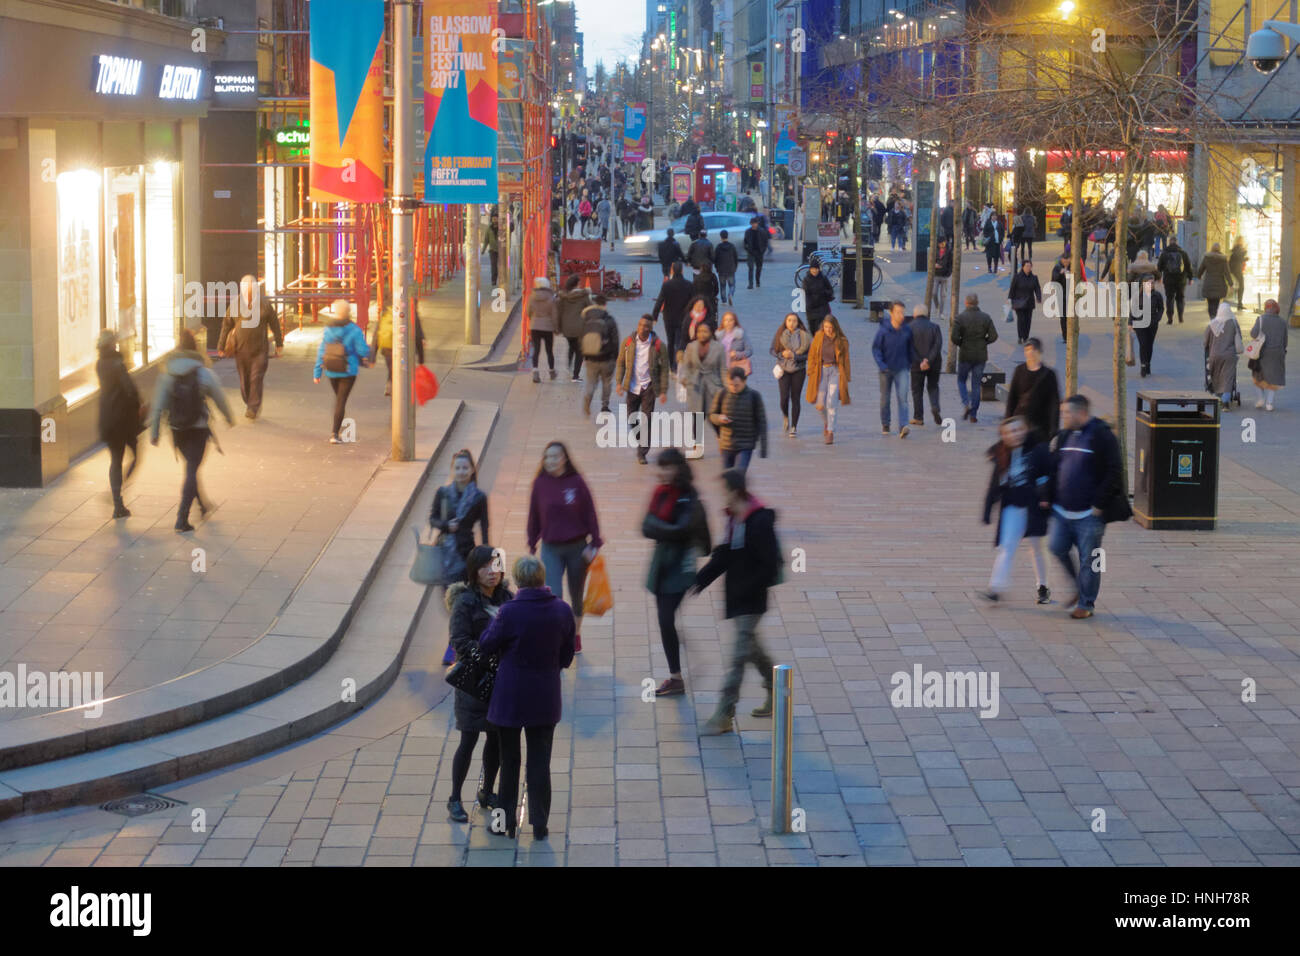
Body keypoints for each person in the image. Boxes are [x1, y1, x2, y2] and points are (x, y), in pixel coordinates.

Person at [478, 555, 575, 840]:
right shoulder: (562, 610)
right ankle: (540, 825)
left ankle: (503, 822)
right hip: (545, 697)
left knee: (509, 762)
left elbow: (486, 645)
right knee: (540, 762)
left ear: (518, 580)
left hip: (510, 697)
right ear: (543, 578)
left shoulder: (509, 612)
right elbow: (567, 655)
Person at [691, 469, 782, 735]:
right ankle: (776, 688)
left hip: (751, 600)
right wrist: (699, 581)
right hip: (739, 598)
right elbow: (725, 556)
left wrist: (747, 588)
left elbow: (771, 563)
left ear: (735, 491)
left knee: (738, 657)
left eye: (725, 492)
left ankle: (724, 714)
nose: (722, 497)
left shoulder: (759, 520)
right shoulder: (735, 519)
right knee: (752, 649)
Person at [444, 545, 510, 823]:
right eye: (484, 567)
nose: (491, 572)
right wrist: (487, 655)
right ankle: (455, 798)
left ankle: (486, 790)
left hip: (501, 683)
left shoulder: (508, 597)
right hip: (474, 683)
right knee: (468, 740)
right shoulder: (465, 602)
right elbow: (459, 640)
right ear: (474, 572)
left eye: (495, 565)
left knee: (494, 739)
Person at [1048, 394, 1129, 619]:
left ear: (1080, 413)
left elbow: (1115, 470)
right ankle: (1077, 586)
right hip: (1062, 511)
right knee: (1056, 547)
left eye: (1066, 413)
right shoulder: (1064, 435)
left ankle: (1086, 603)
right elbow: (1055, 466)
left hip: (1089, 514)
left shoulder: (1101, 436)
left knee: (1090, 560)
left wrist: (1099, 504)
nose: (1063, 417)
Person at [149, 328, 235, 532]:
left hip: (177, 429)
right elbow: (219, 397)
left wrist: (154, 432)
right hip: (198, 428)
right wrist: (229, 417)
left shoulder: (167, 374)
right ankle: (181, 518)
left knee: (191, 468)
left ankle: (202, 505)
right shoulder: (204, 373)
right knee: (191, 470)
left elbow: (158, 405)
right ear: (196, 349)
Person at [643, 448, 711, 697]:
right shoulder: (660, 493)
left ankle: (676, 676)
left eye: (667, 467)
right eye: (660, 467)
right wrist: (666, 529)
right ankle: (676, 677)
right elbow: (645, 526)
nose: (662, 472)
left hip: (680, 565)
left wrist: (660, 528)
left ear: (679, 468)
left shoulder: (688, 496)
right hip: (663, 562)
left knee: (665, 617)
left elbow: (681, 529)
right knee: (665, 619)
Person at [526, 442, 601, 654]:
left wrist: (595, 543)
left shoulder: (576, 482)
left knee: (576, 595)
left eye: (555, 456)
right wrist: (532, 544)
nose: (551, 461)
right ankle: (559, 638)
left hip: (577, 548)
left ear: (564, 459)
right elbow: (533, 515)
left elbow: (590, 513)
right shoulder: (539, 484)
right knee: (554, 595)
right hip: (550, 548)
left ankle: (575, 635)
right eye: (547, 457)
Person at [981, 416, 1052, 605]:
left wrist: (1045, 497)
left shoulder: (1038, 450)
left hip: (1034, 507)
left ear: (1025, 429)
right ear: (1003, 436)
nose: (1015, 434)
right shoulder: (1002, 454)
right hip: (1012, 506)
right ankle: (995, 588)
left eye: (1019, 429)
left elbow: (1047, 475)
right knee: (1006, 547)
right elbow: (994, 484)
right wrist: (988, 509)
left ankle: (1042, 586)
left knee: (1036, 548)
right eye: (1010, 432)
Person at [431, 448, 490, 663]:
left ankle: (453, 644)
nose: (461, 471)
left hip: (467, 556)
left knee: (461, 602)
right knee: (448, 601)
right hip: (445, 556)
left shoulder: (479, 497)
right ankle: (460, 638)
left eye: (465, 467)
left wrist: (487, 557)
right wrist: (447, 525)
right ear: (452, 470)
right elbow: (433, 519)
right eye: (457, 468)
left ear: (472, 469)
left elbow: (485, 527)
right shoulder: (443, 493)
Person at [217, 275, 283, 419]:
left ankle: (253, 407)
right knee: (244, 380)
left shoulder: (264, 304)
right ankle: (249, 401)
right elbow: (226, 324)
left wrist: (279, 343)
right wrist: (221, 345)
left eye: (251, 288)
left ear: (255, 288)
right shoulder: (235, 305)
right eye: (245, 288)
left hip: (260, 350)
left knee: (256, 378)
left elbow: (275, 324)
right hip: (241, 351)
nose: (248, 291)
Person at [96, 329, 142, 519]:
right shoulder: (117, 362)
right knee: (135, 456)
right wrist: (139, 403)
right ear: (112, 343)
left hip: (106, 415)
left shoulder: (99, 363)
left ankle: (117, 500)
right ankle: (117, 496)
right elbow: (129, 388)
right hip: (122, 418)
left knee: (116, 459)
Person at [313, 298, 370, 443]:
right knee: (341, 400)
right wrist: (368, 354)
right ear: (348, 313)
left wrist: (317, 372)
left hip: (331, 370)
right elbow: (362, 350)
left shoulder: (328, 329)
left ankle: (336, 429)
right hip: (348, 370)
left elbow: (322, 350)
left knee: (339, 398)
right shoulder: (355, 330)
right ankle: (334, 433)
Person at [615, 314, 671, 464]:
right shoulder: (628, 342)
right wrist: (619, 383)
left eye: (646, 326)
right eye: (640, 325)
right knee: (631, 419)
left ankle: (642, 453)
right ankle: (642, 440)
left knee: (647, 420)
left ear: (651, 328)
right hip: (632, 386)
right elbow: (620, 362)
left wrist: (664, 390)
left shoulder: (659, 345)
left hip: (649, 387)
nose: (642, 328)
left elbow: (665, 369)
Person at [680, 320, 725, 459]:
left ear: (711, 333)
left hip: (713, 386)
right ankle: (697, 448)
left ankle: (722, 442)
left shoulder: (719, 347)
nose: (702, 334)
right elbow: (686, 366)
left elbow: (723, 368)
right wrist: (685, 379)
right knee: (697, 418)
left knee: (714, 417)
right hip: (696, 386)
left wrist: (725, 388)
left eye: (705, 331)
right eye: (700, 331)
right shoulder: (691, 346)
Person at [710, 367, 768, 473]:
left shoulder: (754, 396)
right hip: (727, 445)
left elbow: (762, 422)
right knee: (728, 479)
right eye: (730, 384)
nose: (733, 388)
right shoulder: (722, 394)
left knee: (739, 475)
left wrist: (763, 447)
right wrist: (719, 418)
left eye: (737, 385)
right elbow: (712, 415)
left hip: (746, 445)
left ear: (744, 381)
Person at [952, 293, 998, 424]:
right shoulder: (986, 318)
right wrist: (984, 342)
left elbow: (954, 337)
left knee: (961, 380)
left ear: (966, 303)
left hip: (965, 355)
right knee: (976, 384)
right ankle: (973, 413)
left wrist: (961, 343)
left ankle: (966, 402)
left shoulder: (960, 318)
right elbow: (994, 336)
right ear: (977, 303)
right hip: (980, 355)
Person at [1004, 338, 1060, 441]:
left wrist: (1054, 429)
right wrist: (1007, 421)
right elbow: (1012, 397)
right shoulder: (1019, 370)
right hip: (1020, 423)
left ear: (1039, 352)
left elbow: (1054, 403)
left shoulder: (1049, 374)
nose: (1029, 353)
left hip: (1041, 425)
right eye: (1027, 350)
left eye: (1032, 350)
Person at [368, 303, 426, 397]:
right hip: (405, 347)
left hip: (388, 347)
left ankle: (390, 385)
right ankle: (399, 388)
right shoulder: (411, 313)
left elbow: (377, 334)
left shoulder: (387, 312)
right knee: (402, 367)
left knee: (392, 367)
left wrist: (372, 357)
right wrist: (421, 358)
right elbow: (418, 335)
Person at [872, 302, 912, 438]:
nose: (901, 315)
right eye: (898, 312)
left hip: (902, 368)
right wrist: (882, 365)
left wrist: (910, 363)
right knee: (885, 398)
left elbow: (911, 348)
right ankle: (886, 423)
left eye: (903, 312)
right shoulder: (883, 330)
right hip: (886, 369)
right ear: (891, 313)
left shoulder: (907, 329)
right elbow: (876, 348)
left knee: (903, 398)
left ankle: (903, 425)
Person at [771, 313, 811, 437]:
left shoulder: (805, 336)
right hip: (783, 369)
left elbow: (809, 355)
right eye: (789, 320)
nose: (791, 323)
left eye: (794, 321)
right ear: (785, 322)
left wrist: (795, 356)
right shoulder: (780, 334)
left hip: (799, 369)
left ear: (798, 322)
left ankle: (794, 426)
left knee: (795, 398)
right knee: (783, 398)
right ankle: (785, 415)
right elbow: (772, 350)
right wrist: (782, 354)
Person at [579, 295, 619, 417]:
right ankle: (605, 406)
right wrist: (615, 357)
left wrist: (584, 354)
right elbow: (615, 340)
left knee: (591, 382)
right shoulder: (609, 319)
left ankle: (588, 398)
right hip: (607, 358)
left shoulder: (586, 318)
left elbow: (580, 338)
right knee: (607, 382)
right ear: (605, 305)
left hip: (591, 357)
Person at [651, 261, 693, 370]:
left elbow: (659, 301)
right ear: (682, 270)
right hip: (683, 318)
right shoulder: (689, 285)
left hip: (669, 318)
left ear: (672, 270)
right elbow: (693, 302)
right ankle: (677, 363)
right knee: (679, 341)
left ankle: (672, 366)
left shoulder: (667, 285)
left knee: (670, 341)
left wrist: (654, 317)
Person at [907, 304, 944, 426]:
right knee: (933, 386)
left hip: (916, 365)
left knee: (917, 390)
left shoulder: (909, 328)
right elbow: (937, 346)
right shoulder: (935, 327)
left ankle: (918, 417)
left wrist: (920, 361)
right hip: (934, 364)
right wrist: (928, 360)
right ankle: (935, 406)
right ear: (927, 314)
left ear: (914, 315)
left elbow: (909, 348)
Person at [1250, 299, 1288, 410]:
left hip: (1262, 353)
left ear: (1266, 307)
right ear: (1276, 308)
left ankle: (1261, 399)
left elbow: (1253, 334)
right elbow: (1285, 340)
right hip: (1277, 353)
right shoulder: (1282, 322)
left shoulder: (1261, 319)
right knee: (1273, 378)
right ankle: (1269, 404)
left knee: (1258, 376)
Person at [1129, 253, 1163, 378]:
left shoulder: (1157, 295)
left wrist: (1158, 318)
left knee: (1149, 345)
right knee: (1143, 344)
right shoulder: (1138, 296)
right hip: (1139, 323)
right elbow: (1133, 310)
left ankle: (1148, 363)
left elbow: (1161, 308)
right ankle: (1143, 365)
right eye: (1149, 283)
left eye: (1152, 283)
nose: (1152, 285)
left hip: (1152, 323)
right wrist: (1130, 323)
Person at [1205, 303, 1243, 407]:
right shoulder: (1234, 323)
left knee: (1215, 375)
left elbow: (1205, 342)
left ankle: (1217, 396)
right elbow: (1239, 338)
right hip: (1229, 356)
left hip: (1214, 355)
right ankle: (1225, 401)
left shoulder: (1212, 324)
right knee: (1228, 377)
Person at [557, 274, 591, 382]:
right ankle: (575, 376)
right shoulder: (583, 296)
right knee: (580, 352)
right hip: (579, 329)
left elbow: (559, 312)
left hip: (567, 329)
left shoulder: (563, 297)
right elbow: (590, 310)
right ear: (577, 284)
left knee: (572, 346)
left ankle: (569, 364)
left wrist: (558, 327)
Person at [526, 276, 558, 383]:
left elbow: (528, 311)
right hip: (548, 327)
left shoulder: (532, 296)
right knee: (549, 351)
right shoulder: (551, 297)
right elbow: (554, 314)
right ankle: (551, 371)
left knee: (536, 350)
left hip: (535, 326)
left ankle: (535, 371)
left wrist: (533, 319)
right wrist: (556, 327)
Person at [1157, 236, 1193, 325]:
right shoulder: (1183, 253)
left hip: (1168, 280)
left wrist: (1159, 278)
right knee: (1180, 298)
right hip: (1181, 279)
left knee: (1170, 298)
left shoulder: (1164, 253)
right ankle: (1180, 316)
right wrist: (1190, 278)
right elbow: (1188, 266)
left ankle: (1170, 318)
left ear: (1169, 242)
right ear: (1177, 243)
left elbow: (1159, 267)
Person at [1007, 259, 1043, 346]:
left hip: (1029, 303)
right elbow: (1012, 289)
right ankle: (1020, 336)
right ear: (1022, 267)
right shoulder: (1017, 277)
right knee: (1021, 320)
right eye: (1026, 266)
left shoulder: (1034, 278)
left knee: (1028, 320)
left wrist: (1038, 297)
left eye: (1030, 266)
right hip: (1019, 302)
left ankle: (1026, 337)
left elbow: (1037, 288)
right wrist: (1009, 299)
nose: (1028, 268)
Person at [1197, 242, 1233, 319]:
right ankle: (1215, 317)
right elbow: (1227, 272)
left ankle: (1212, 318)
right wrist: (1231, 284)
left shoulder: (1207, 257)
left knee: (1210, 303)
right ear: (1219, 249)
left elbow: (1201, 269)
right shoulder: (1223, 259)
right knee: (1216, 303)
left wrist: (1199, 276)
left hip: (1208, 284)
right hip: (1219, 284)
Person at [717, 310, 753, 376]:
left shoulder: (741, 334)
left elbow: (749, 351)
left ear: (735, 321)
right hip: (720, 368)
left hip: (736, 369)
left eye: (731, 320)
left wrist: (737, 354)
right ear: (723, 322)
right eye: (726, 320)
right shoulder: (718, 335)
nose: (728, 322)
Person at [802, 259, 835, 329]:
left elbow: (830, 290)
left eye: (816, 268)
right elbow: (807, 294)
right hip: (812, 308)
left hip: (823, 307)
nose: (814, 271)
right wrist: (809, 305)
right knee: (813, 329)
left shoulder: (823, 278)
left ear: (819, 269)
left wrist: (824, 293)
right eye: (813, 269)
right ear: (810, 269)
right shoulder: (806, 280)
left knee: (822, 328)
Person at [714, 230, 739, 306]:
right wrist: (735, 267)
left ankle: (724, 301)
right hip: (730, 269)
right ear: (727, 236)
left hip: (721, 270)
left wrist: (717, 267)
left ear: (721, 237)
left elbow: (715, 259)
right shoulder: (732, 246)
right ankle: (730, 294)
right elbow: (735, 258)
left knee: (722, 286)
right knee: (732, 285)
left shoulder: (718, 247)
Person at [1049, 254, 1071, 343]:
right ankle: (1065, 336)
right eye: (1064, 261)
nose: (1066, 263)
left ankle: (1072, 334)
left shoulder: (1073, 267)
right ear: (1061, 260)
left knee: (1071, 316)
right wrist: (1060, 274)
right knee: (1063, 317)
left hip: (1071, 296)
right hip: (1061, 296)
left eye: (1068, 261)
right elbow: (1053, 280)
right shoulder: (1057, 268)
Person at [743, 217, 770, 289]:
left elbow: (765, 242)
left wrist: (763, 251)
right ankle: (750, 284)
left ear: (757, 223)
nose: (754, 225)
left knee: (759, 268)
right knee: (750, 268)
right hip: (751, 252)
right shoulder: (748, 232)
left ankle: (757, 281)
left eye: (755, 223)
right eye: (752, 223)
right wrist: (747, 249)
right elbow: (745, 242)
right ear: (751, 224)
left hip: (759, 252)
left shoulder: (762, 231)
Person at [691, 260, 719, 326]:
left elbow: (693, 290)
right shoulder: (713, 276)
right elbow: (716, 289)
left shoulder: (697, 278)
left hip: (700, 300)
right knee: (712, 316)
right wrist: (713, 295)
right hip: (711, 300)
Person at [931, 239, 952, 317]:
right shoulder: (935, 250)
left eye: (943, 242)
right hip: (936, 274)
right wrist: (934, 265)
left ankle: (941, 312)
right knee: (934, 293)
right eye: (940, 243)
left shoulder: (949, 251)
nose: (942, 244)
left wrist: (948, 273)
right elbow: (931, 260)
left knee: (943, 295)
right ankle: (937, 306)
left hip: (944, 276)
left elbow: (951, 263)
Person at [1229, 236, 1249, 309]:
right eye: (1242, 240)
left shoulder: (1236, 248)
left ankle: (1239, 303)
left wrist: (1245, 258)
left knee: (1240, 286)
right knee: (1241, 286)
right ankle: (1239, 304)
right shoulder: (1238, 248)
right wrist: (1245, 251)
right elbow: (1239, 257)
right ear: (1240, 241)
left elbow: (1238, 258)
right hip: (1236, 269)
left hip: (1236, 269)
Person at [482, 214, 500, 286]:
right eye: (493, 219)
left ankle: (500, 279)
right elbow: (486, 240)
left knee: (501, 266)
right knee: (494, 266)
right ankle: (493, 280)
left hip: (501, 250)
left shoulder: (502, 227)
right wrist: (483, 249)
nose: (495, 220)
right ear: (491, 220)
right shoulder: (489, 228)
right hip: (492, 250)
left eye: (496, 219)